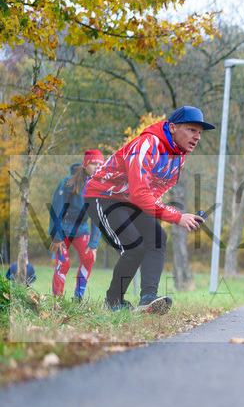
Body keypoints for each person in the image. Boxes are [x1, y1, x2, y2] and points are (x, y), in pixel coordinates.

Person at [84, 106, 210, 313]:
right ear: (172, 127)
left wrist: (165, 215)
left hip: (132, 201)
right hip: (103, 196)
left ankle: (148, 298)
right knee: (134, 247)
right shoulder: (146, 144)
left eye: (199, 133)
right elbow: (140, 194)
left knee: (158, 238)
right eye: (191, 130)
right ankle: (113, 302)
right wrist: (177, 217)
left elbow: (155, 191)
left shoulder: (179, 156)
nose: (197, 137)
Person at [48, 150, 104, 301]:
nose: (97, 167)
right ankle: (56, 301)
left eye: (100, 164)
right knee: (64, 263)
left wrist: (93, 244)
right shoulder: (68, 183)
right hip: (63, 229)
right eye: (94, 164)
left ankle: (78, 298)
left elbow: (98, 218)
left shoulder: (100, 187)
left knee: (88, 257)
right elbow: (55, 211)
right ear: (85, 164)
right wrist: (57, 237)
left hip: (81, 229)